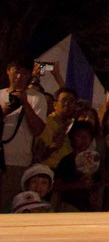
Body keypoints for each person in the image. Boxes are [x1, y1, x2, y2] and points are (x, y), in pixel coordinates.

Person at [2, 60, 47, 211]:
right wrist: (3, 113)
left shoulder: (37, 98)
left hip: (19, 162)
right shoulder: (0, 95)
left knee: (9, 206)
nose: (20, 76)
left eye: (25, 73)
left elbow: (38, 130)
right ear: (8, 71)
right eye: (16, 71)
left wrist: (25, 103)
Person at [33, 87, 78, 170]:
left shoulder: (72, 124)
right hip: (48, 169)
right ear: (55, 105)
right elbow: (39, 155)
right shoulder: (47, 123)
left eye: (71, 101)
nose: (67, 103)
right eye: (64, 100)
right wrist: (55, 145)